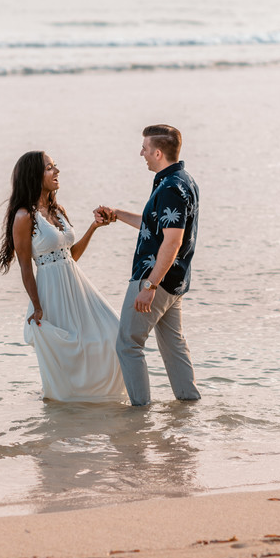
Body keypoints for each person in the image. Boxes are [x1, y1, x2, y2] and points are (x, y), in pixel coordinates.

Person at [0, 151, 127, 402]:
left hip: (75, 285)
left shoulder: (58, 210)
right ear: (35, 175)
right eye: (49, 168)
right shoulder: (24, 217)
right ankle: (66, 406)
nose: (56, 172)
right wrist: (37, 305)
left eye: (55, 166)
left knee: (114, 331)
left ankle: (99, 400)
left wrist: (93, 227)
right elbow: (25, 266)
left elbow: (71, 255)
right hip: (51, 291)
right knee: (70, 350)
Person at [95, 124, 201, 406]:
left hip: (156, 279)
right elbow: (157, 226)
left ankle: (139, 415)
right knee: (173, 347)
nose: (140, 153)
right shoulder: (181, 180)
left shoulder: (171, 187)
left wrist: (150, 285)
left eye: (144, 148)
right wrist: (116, 215)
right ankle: (189, 408)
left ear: (157, 152)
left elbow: (172, 242)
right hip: (174, 281)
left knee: (128, 345)